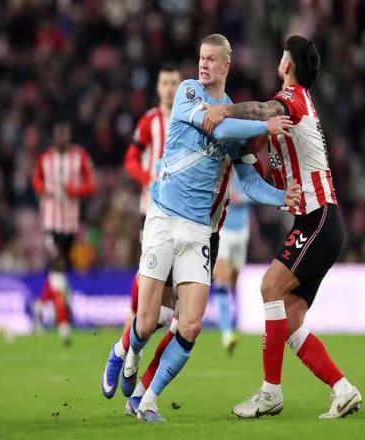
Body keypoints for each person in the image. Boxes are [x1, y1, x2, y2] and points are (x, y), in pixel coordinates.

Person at [123, 33, 297, 423]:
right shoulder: (188, 92)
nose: (203, 64)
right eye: (201, 57)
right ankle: (125, 353)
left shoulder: (234, 118)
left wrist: (281, 196)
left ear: (226, 65)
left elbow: (248, 180)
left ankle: (146, 400)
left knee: (189, 324)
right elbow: (215, 128)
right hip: (164, 218)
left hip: (202, 229)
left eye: (211, 59)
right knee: (151, 320)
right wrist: (263, 125)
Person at [202, 35, 362, 419]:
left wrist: (223, 111)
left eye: (282, 55)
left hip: (318, 218)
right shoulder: (292, 111)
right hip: (320, 221)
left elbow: (260, 110)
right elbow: (257, 143)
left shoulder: (291, 98)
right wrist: (240, 149)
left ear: (288, 64)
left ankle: (270, 393)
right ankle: (343, 390)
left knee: (269, 286)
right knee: (289, 321)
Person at [124, 151, 294, 417]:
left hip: (219, 232)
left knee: (182, 325)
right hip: (187, 228)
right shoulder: (201, 138)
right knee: (167, 316)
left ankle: (140, 395)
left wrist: (258, 172)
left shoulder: (239, 147)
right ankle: (127, 355)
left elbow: (254, 179)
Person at [102, 66, 181, 399]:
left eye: (174, 83)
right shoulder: (150, 121)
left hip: (185, 218)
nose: (169, 88)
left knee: (172, 309)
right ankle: (129, 349)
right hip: (152, 213)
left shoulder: (192, 119)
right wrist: (148, 178)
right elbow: (131, 159)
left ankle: (132, 349)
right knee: (148, 281)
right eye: (164, 83)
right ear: (158, 87)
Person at [31, 118, 96, 345]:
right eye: (58, 134)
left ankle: (40, 306)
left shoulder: (80, 157)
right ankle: (64, 325)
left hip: (70, 224)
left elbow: (91, 185)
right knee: (58, 266)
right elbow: (36, 181)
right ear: (53, 137)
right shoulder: (45, 159)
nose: (62, 138)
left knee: (58, 273)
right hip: (51, 224)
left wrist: (74, 190)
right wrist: (44, 189)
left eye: (65, 134)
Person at [212, 175, 252, 354]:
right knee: (222, 277)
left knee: (234, 279)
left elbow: (259, 191)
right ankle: (226, 333)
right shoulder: (220, 165)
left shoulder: (248, 165)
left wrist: (242, 197)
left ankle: (235, 315)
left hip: (242, 229)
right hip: (223, 229)